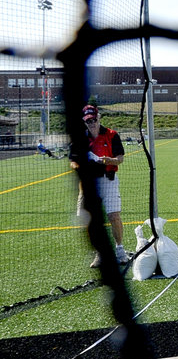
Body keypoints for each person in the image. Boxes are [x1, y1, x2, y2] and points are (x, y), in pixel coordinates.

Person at [70, 105, 128, 267]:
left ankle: (120, 249)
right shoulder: (80, 139)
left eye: (94, 119)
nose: (92, 123)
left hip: (109, 179)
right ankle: (100, 253)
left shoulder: (112, 135)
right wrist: (81, 166)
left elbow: (120, 158)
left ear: (99, 117)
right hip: (89, 183)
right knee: (88, 218)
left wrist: (110, 160)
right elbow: (73, 161)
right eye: (88, 121)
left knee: (114, 216)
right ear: (84, 121)